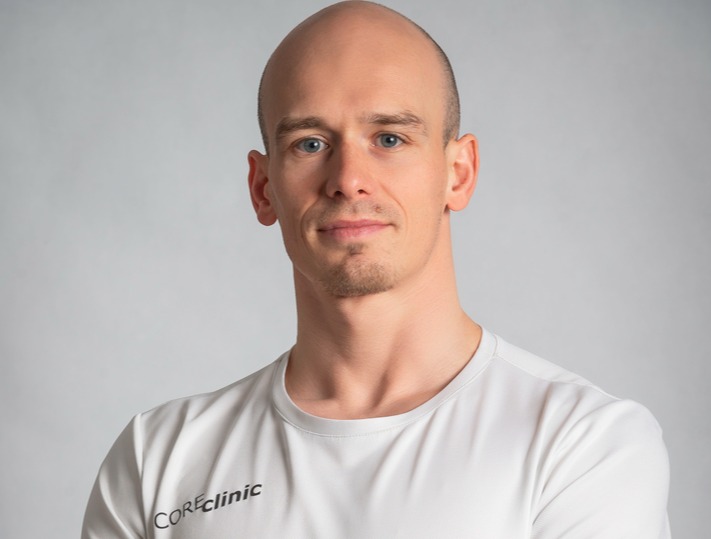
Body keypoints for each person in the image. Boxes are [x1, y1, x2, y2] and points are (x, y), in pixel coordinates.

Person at [82, 2, 670, 537]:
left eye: (389, 138)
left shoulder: (582, 444)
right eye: (310, 144)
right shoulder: (157, 459)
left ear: (458, 173)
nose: (348, 179)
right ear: (263, 188)